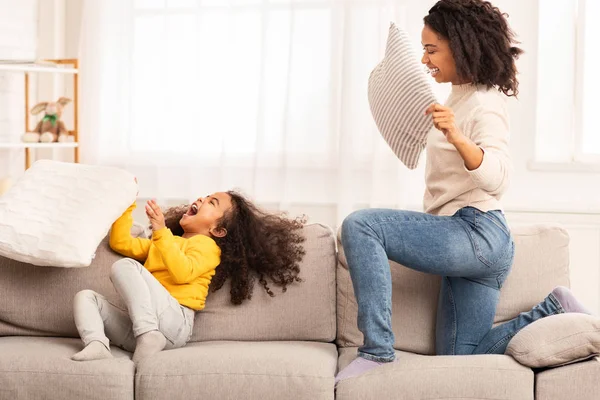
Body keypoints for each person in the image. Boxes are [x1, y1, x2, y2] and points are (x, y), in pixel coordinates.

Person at [335, 0, 590, 384]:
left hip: (476, 232)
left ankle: (376, 351)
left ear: (460, 45)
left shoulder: (485, 103)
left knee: (361, 226)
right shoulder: (459, 96)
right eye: (422, 49)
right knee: (460, 358)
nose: (424, 60)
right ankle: (553, 308)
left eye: (431, 49)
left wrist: (456, 136)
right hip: (477, 245)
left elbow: (500, 177)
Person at [71, 190, 305, 364]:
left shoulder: (207, 246)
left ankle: (148, 333)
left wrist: (161, 232)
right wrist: (127, 202)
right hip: (138, 329)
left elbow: (183, 272)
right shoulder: (166, 242)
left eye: (211, 203)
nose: (201, 200)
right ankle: (97, 343)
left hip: (175, 322)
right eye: (203, 197)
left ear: (218, 231)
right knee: (86, 297)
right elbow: (120, 242)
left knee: (125, 267)